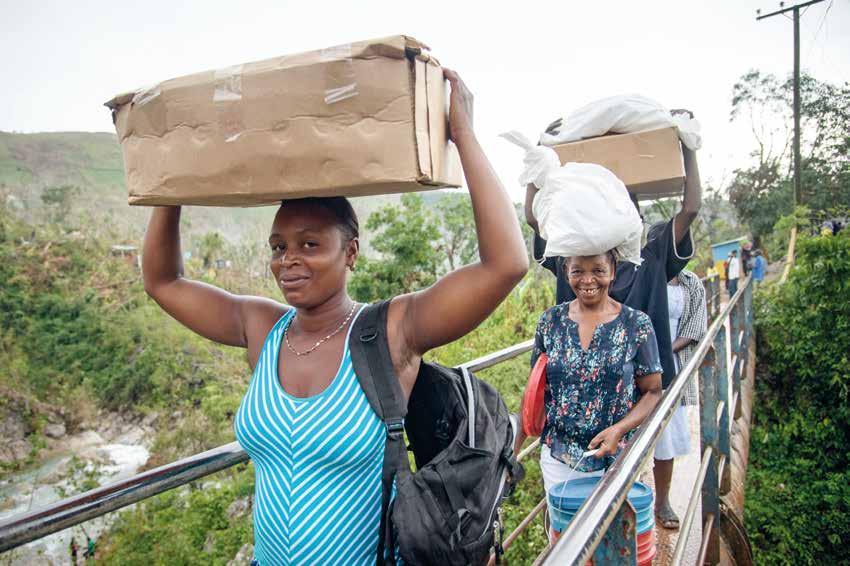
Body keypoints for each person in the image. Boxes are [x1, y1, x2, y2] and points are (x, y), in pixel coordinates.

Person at [142, 70, 528, 565]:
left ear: (351, 252)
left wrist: (464, 136)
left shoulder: (390, 332)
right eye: (279, 247)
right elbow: (163, 282)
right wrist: (169, 180)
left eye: (310, 245)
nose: (288, 260)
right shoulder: (263, 328)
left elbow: (506, 265)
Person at [524, 114, 701, 393]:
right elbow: (690, 208)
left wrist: (539, 152)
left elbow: (533, 218)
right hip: (620, 395)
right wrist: (688, 145)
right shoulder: (580, 260)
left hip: (623, 393)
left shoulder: (579, 262)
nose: (588, 279)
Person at [513, 251, 662, 540]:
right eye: (578, 271)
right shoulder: (550, 322)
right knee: (568, 543)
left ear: (613, 271)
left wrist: (619, 430)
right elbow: (536, 389)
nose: (588, 280)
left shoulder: (636, 324)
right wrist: (514, 448)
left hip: (617, 460)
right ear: (566, 272)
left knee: (613, 543)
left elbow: (653, 392)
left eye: (598, 270)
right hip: (559, 459)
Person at [653, 269, 707, 529]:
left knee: (668, 434)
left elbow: (696, 326)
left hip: (671, 361)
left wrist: (662, 353)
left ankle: (662, 501)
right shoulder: (642, 274)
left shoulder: (691, 282)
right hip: (640, 359)